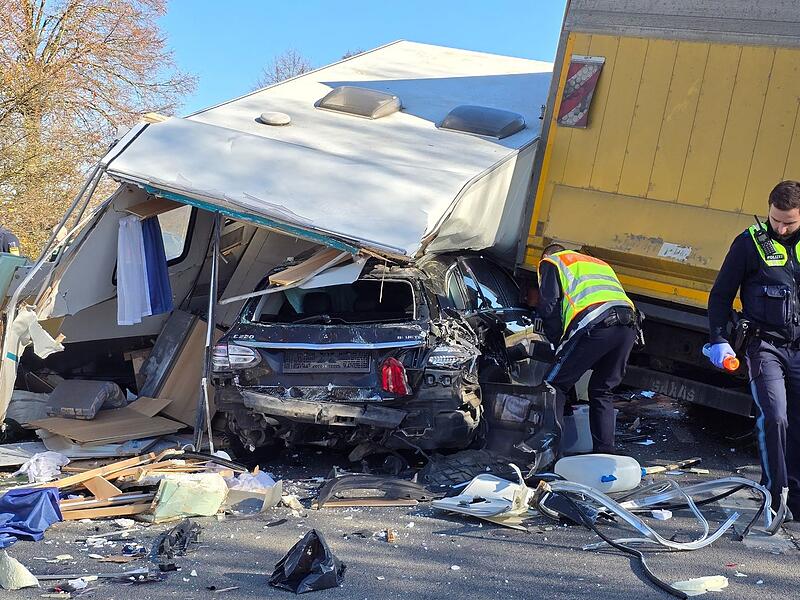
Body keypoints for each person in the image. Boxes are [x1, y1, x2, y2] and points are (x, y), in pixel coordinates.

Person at [708, 180, 800, 521]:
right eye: (776, 219)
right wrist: (718, 338)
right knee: (775, 416)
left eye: (789, 221)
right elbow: (720, 296)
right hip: (765, 345)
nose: (781, 227)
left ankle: (796, 496)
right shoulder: (749, 244)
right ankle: (775, 495)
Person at [536, 243, 639, 454]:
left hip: (595, 322)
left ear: (546, 256)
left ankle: (551, 453)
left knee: (553, 386)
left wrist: (557, 345)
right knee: (602, 389)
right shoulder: (597, 263)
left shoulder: (552, 262)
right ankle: (604, 453)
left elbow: (549, 306)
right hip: (629, 325)